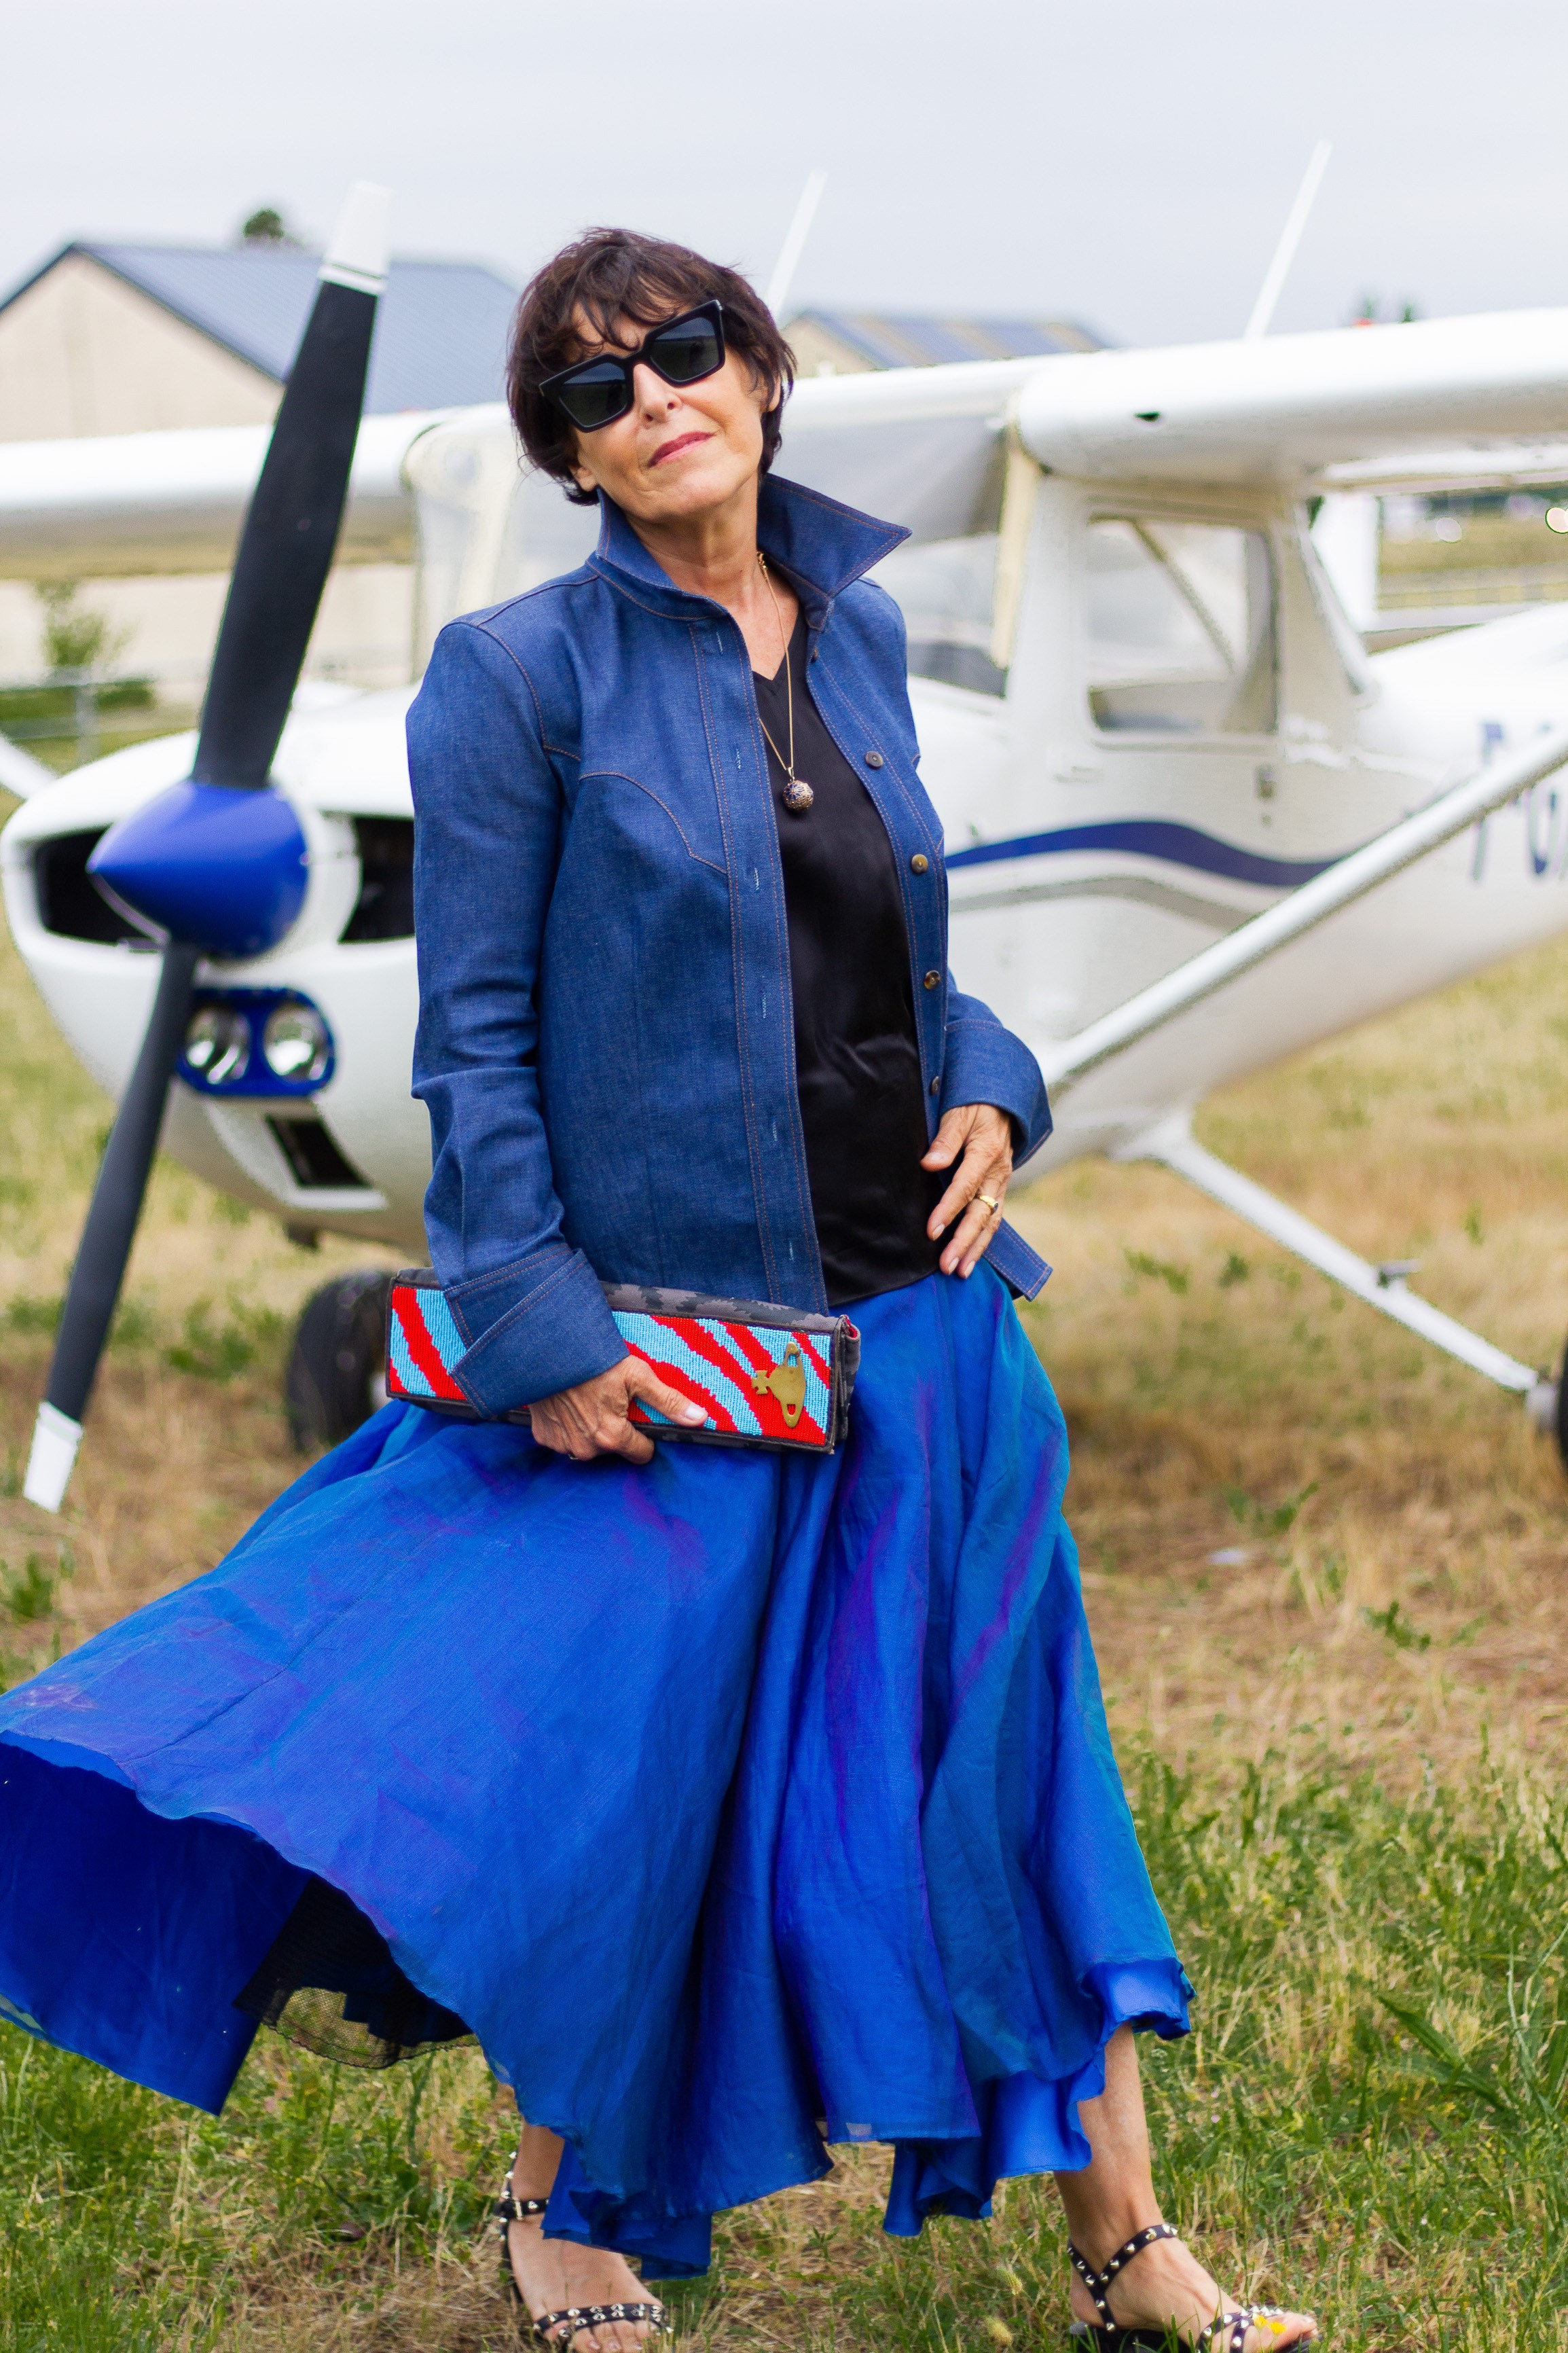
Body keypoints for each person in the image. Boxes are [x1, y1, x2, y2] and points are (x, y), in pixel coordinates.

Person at [0, 230, 1316, 2353]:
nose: (652, 402)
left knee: (1006, 1778)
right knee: (641, 1784)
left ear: (763, 372)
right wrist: (539, 1331)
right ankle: (563, 2213)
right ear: (573, 459)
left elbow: (910, 961)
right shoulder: (515, 677)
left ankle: (1127, 2249)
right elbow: (476, 1038)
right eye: (592, 394)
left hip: (933, 1328)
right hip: (691, 1351)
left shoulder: (863, 628)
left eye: (684, 352)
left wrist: (1001, 1085)